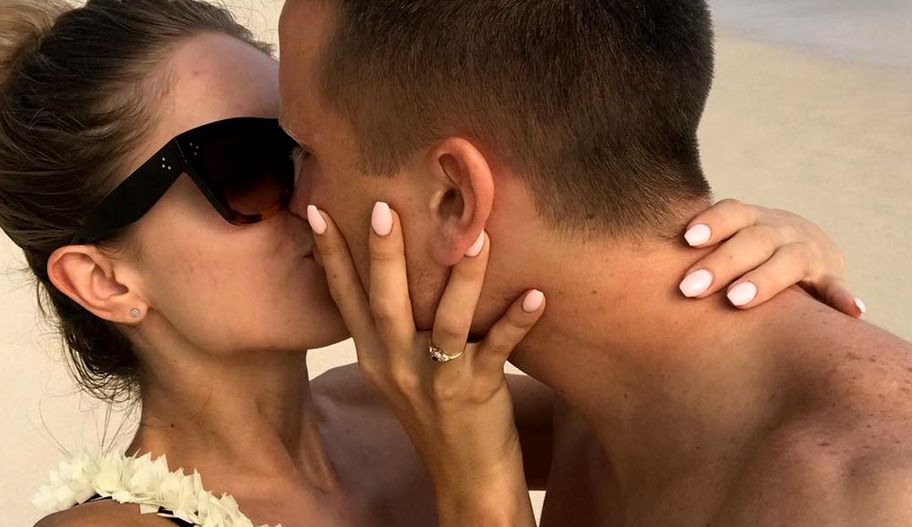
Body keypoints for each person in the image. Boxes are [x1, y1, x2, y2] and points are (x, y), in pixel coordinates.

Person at [0, 0, 861, 525]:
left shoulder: (409, 403)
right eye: (245, 168)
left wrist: (766, 264)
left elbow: (677, 394)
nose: (312, 195)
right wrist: (478, 490)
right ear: (105, 280)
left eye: (305, 143)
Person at [279, 0, 912, 525]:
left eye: (305, 150)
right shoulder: (600, 404)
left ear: (455, 200)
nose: (288, 199)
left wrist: (481, 498)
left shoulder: (868, 502)